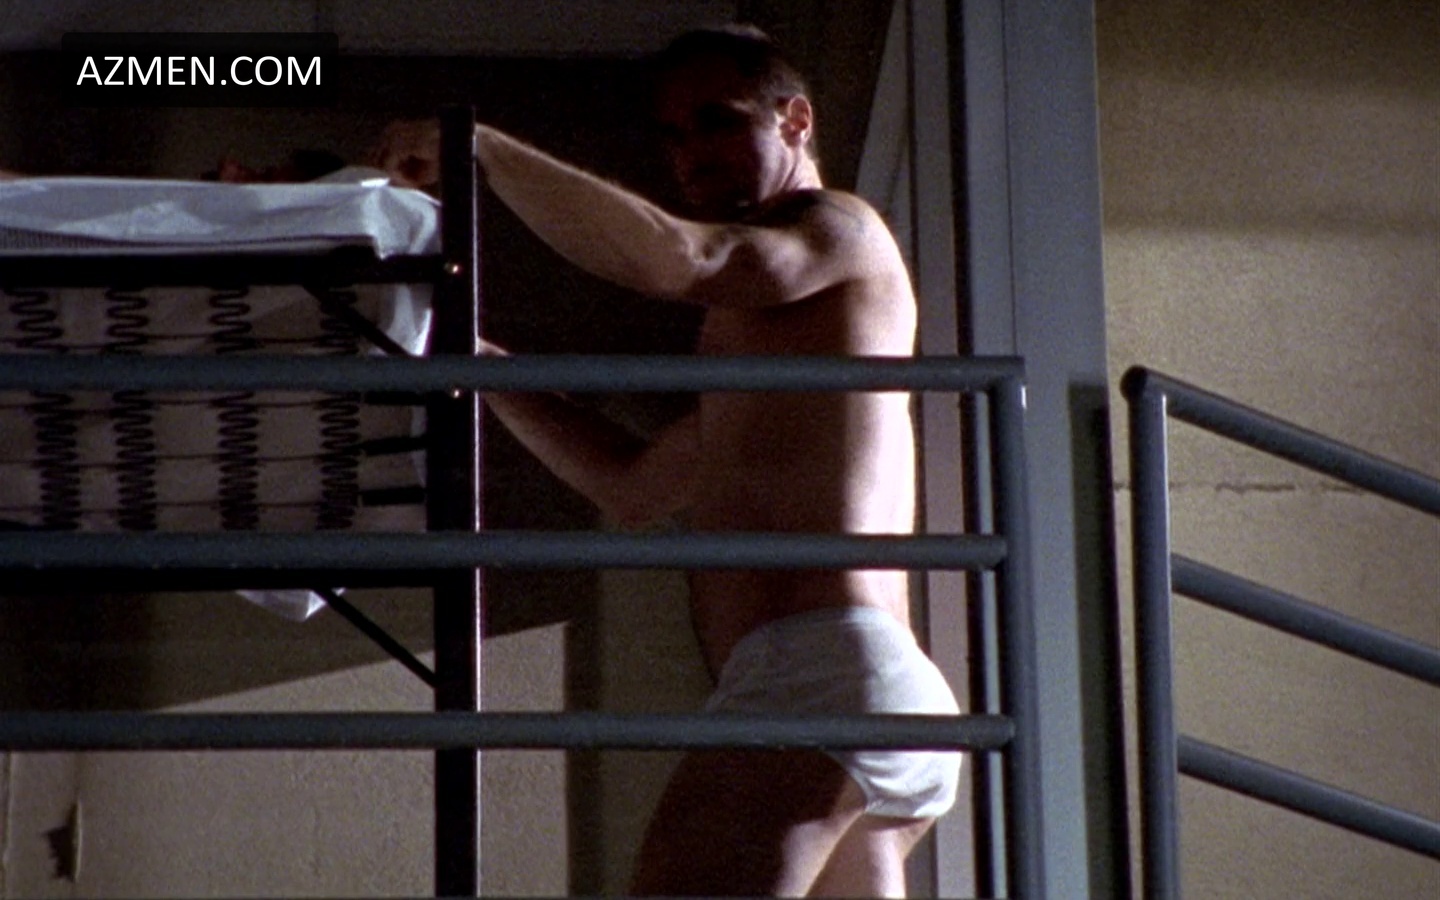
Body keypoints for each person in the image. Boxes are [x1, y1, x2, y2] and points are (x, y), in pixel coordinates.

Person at [374, 25, 961, 897]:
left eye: (719, 122)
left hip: (821, 679)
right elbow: (634, 487)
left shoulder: (838, 228)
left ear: (794, 120)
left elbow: (687, 256)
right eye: (675, 136)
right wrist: (471, 356)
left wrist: (483, 149)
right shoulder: (769, 345)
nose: (691, 155)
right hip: (854, 691)